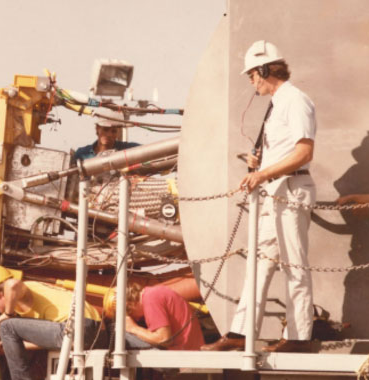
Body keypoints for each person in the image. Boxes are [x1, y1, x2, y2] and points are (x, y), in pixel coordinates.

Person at [201, 40, 317, 353]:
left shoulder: (295, 100)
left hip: (291, 190)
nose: (251, 82)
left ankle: (299, 337)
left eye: (252, 75)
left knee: (295, 265)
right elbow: (285, 149)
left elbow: (304, 151)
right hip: (275, 192)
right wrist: (261, 164)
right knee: (260, 263)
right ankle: (240, 333)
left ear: (265, 70)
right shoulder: (278, 103)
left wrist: (262, 174)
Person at [0, 265, 107, 380]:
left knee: (7, 327)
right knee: (10, 330)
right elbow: (49, 339)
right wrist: (11, 345)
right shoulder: (37, 295)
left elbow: (12, 284)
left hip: (76, 328)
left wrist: (7, 314)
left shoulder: (24, 290)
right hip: (95, 333)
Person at [119, 283, 205, 350]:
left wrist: (133, 328)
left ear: (130, 304)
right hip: (190, 348)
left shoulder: (150, 300)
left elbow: (163, 339)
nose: (136, 319)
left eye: (131, 314)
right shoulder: (154, 292)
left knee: (120, 332)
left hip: (182, 354)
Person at [73, 109, 139, 161]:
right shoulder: (82, 154)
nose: (109, 134)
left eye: (114, 131)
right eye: (106, 129)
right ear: (97, 128)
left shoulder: (128, 149)